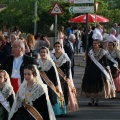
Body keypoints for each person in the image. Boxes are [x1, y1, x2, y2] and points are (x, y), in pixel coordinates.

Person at [80, 39, 116, 106]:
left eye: (96, 43)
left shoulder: (102, 51)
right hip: (90, 69)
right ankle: (91, 100)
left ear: (99, 44)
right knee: (91, 84)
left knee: (98, 85)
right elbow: (88, 62)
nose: (94, 44)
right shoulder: (90, 52)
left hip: (99, 70)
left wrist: (108, 68)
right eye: (93, 43)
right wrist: (86, 70)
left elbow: (105, 61)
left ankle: (97, 100)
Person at [51, 42, 79, 112]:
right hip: (53, 77)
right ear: (54, 48)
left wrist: (67, 77)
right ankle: (56, 109)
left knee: (63, 92)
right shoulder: (51, 56)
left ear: (61, 48)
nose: (57, 48)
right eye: (56, 46)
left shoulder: (64, 56)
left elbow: (68, 68)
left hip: (62, 78)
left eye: (58, 46)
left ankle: (63, 108)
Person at [38, 46, 66, 115]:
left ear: (47, 53)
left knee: (51, 97)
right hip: (40, 83)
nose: (42, 54)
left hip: (50, 84)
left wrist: (56, 85)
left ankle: (53, 112)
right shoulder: (38, 62)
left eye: (44, 52)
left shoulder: (50, 62)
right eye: (41, 52)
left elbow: (54, 75)